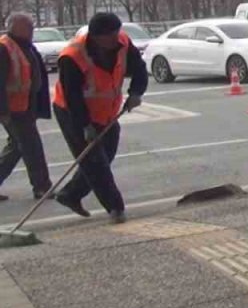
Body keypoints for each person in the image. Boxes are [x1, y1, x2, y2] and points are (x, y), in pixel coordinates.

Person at [51, 12, 147, 223]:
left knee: (108, 152)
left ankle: (71, 194)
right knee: (95, 161)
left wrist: (136, 92)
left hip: (106, 111)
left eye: (116, 33)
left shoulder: (122, 42)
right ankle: (116, 208)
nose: (116, 38)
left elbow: (139, 68)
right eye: (110, 36)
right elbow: (73, 97)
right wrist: (85, 126)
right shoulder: (72, 57)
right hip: (72, 113)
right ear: (96, 37)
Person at [0, 13, 52, 201]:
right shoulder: (5, 47)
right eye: (28, 26)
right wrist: (3, 111)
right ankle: (42, 187)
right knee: (31, 146)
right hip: (12, 109)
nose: (32, 30)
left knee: (17, 146)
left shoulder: (23, 46)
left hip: (23, 106)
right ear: (16, 27)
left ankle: (41, 186)